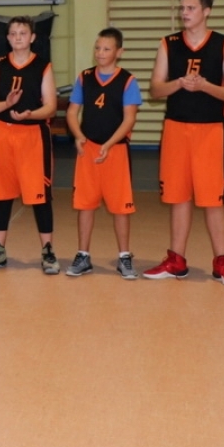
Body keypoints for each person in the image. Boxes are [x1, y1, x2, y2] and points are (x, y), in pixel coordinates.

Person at [143, 0, 224, 286]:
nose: (184, 12)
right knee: (178, 196)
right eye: (182, 8)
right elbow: (155, 89)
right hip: (176, 129)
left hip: (210, 131)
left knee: (213, 199)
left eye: (190, 8)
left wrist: (204, 86)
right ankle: (176, 260)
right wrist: (179, 83)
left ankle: (222, 262)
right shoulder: (169, 44)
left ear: (206, 11)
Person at [0, 16, 59, 274]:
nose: (17, 37)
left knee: (40, 195)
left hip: (33, 135)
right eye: (13, 33)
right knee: (1, 193)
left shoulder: (43, 66)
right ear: (7, 38)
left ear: (32, 37)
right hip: (3, 133)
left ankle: (48, 251)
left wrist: (29, 114)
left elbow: (51, 107)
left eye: (23, 33)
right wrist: (7, 104)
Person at [64, 29, 142, 279]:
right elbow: (72, 112)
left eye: (106, 49)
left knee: (121, 207)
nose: (100, 53)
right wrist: (79, 136)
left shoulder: (127, 81)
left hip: (116, 151)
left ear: (119, 52)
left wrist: (109, 144)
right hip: (88, 150)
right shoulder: (85, 77)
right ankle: (83, 255)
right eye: (97, 48)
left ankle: (124, 257)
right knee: (85, 204)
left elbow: (129, 119)